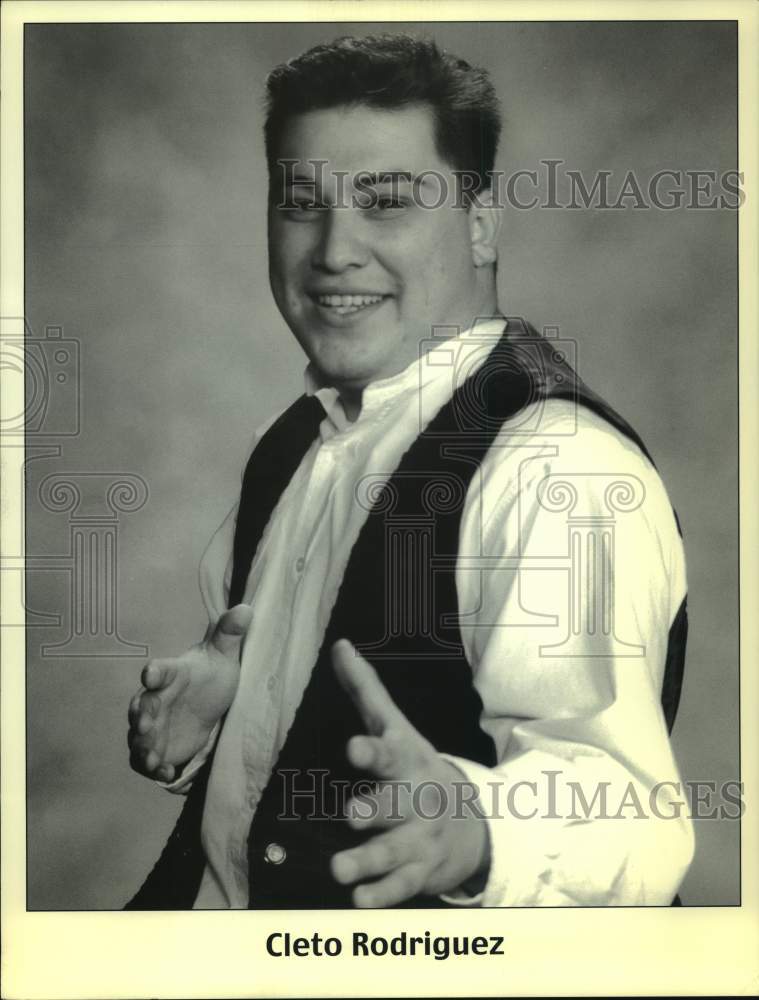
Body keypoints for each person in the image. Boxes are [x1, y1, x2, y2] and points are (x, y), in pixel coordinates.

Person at [125, 34, 694, 909]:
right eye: (300, 203)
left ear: (480, 224)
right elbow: (303, 746)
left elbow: (630, 813)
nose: (332, 251)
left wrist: (475, 830)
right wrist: (221, 719)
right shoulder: (291, 443)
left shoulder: (556, 469)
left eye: (385, 202)